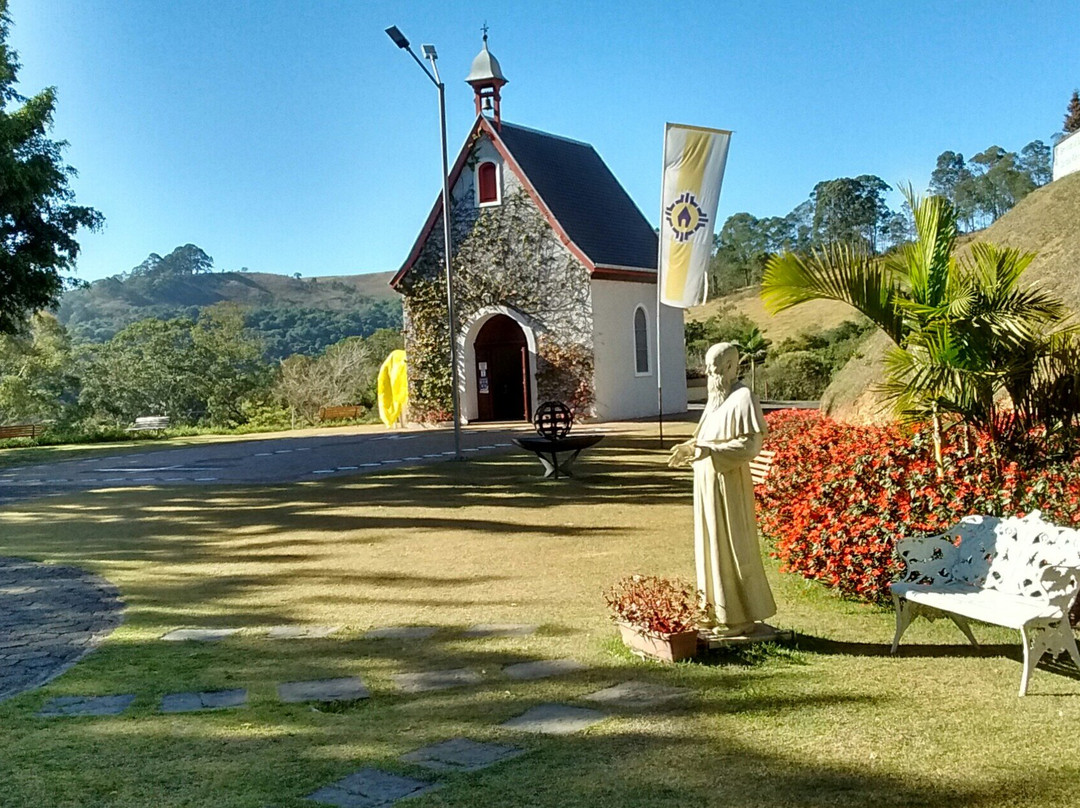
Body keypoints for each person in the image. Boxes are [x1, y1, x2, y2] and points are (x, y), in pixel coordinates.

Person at [669, 342, 776, 636]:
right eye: (706, 367)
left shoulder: (743, 399)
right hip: (706, 485)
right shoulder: (716, 400)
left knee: (728, 547)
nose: (707, 373)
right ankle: (713, 612)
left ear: (730, 367)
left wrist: (709, 453)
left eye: (713, 368)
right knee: (709, 547)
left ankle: (738, 616)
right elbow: (706, 438)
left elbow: (750, 445)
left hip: (728, 486)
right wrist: (690, 448)